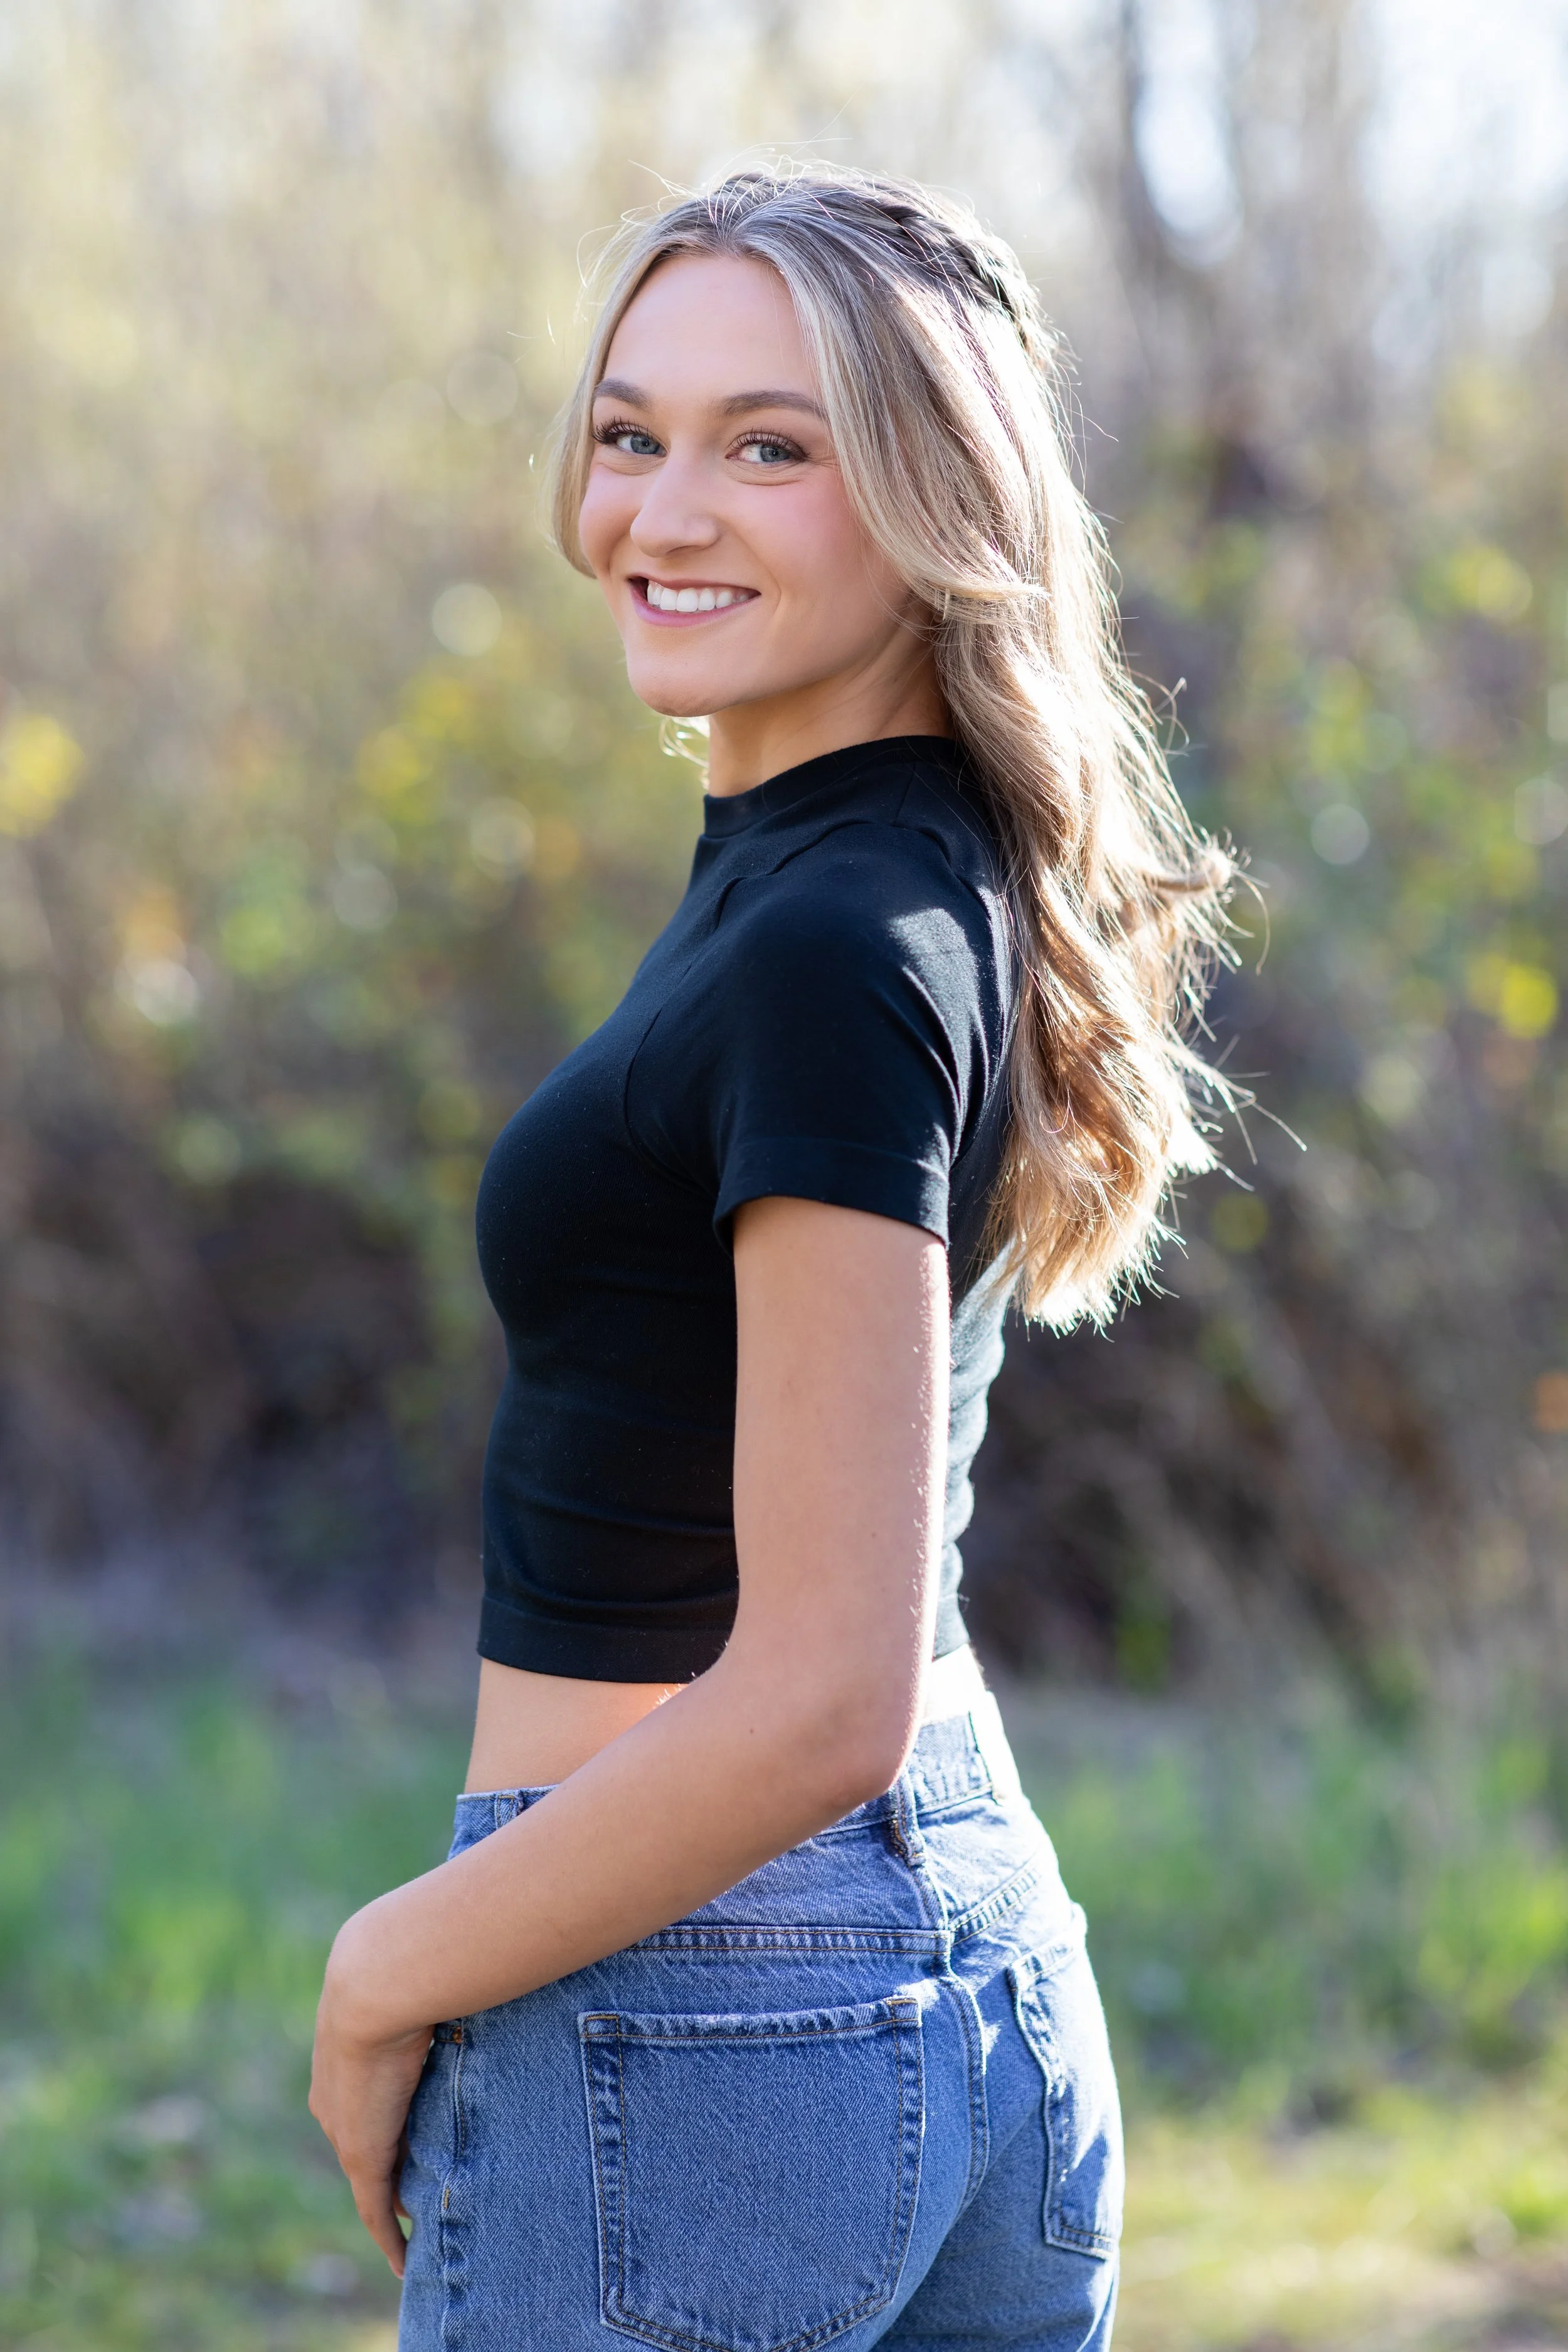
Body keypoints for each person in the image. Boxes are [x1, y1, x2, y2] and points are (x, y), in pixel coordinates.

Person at [309, 164, 1231, 2351]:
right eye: (631, 433)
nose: (666, 509)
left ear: (930, 497)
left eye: (771, 445)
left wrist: (386, 1971)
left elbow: (813, 1690)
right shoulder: (880, 871)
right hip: (957, 1943)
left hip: (699, 2003)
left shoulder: (833, 939)